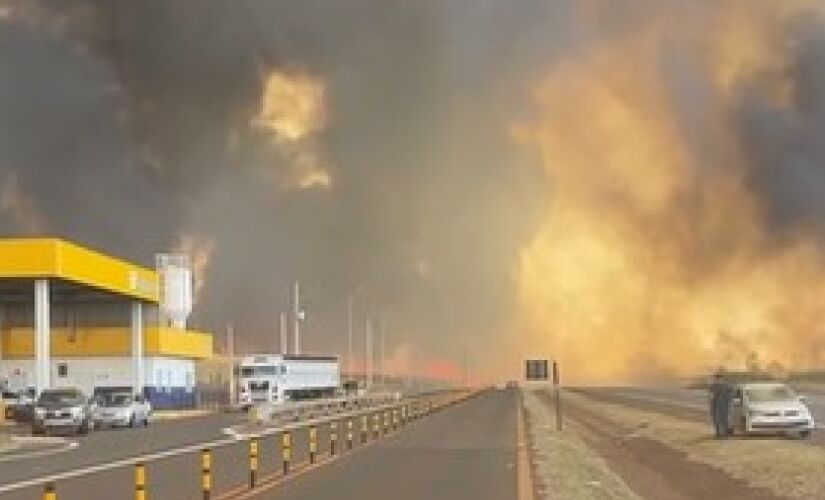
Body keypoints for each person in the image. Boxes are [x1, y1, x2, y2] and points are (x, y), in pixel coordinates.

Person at [709, 372, 732, 438]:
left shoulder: (727, 386)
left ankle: (725, 434)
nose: (718, 380)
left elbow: (731, 394)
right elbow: (711, 396)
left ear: (722, 379)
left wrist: (729, 402)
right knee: (717, 420)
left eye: (719, 379)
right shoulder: (713, 386)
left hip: (724, 406)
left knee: (725, 420)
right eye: (717, 379)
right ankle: (718, 434)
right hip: (716, 406)